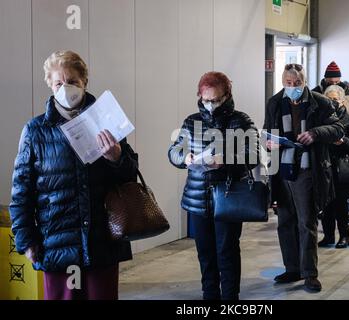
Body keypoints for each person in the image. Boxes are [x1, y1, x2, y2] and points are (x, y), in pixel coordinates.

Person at [9, 51, 139, 300]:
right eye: (59, 83)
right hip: (57, 243)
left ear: (84, 83)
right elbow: (21, 192)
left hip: (103, 241)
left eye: (73, 81)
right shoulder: (36, 131)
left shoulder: (107, 121)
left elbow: (130, 177)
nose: (66, 88)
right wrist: (26, 240)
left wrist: (117, 157)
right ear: (50, 84)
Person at [168, 71, 259, 300]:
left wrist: (225, 159)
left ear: (227, 95)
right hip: (198, 200)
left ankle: (230, 298)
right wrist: (185, 158)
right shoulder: (191, 122)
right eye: (206, 100)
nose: (211, 105)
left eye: (216, 100)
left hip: (228, 198)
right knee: (205, 255)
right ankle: (209, 297)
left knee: (226, 253)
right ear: (200, 96)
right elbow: (173, 152)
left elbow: (254, 155)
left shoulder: (241, 121)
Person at [264, 64, 344, 292]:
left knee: (306, 222)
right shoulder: (275, 102)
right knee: (285, 222)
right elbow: (267, 131)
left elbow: (338, 129)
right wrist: (268, 142)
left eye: (296, 83)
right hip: (282, 170)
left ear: (304, 82)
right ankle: (292, 269)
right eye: (287, 83)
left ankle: (310, 273)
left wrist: (315, 133)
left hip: (309, 170)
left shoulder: (321, 102)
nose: (292, 87)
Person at [318, 86, 349, 249]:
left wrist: (343, 141)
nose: (333, 102)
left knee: (341, 205)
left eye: (336, 99)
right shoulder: (319, 118)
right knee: (325, 205)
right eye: (329, 99)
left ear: (342, 101)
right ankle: (328, 236)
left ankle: (344, 236)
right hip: (324, 167)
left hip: (342, 169)